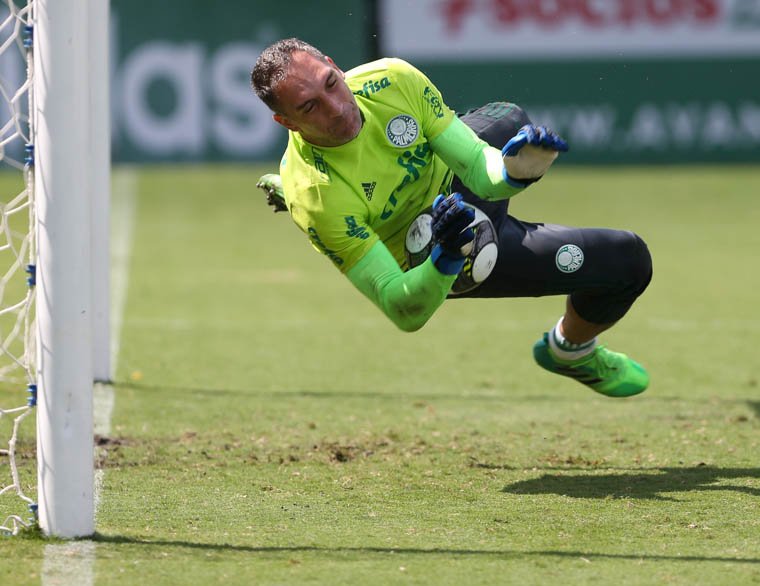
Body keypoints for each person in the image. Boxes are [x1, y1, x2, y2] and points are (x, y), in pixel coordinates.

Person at [250, 38, 652, 397]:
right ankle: (569, 351)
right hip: (433, 250)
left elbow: (479, 169)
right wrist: (446, 256)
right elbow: (403, 308)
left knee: (509, 118)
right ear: (287, 122)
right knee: (625, 259)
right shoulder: (319, 196)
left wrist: (515, 172)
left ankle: (569, 346)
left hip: (458, 184)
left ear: (336, 66)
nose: (336, 108)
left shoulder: (391, 80)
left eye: (331, 83)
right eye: (309, 107)